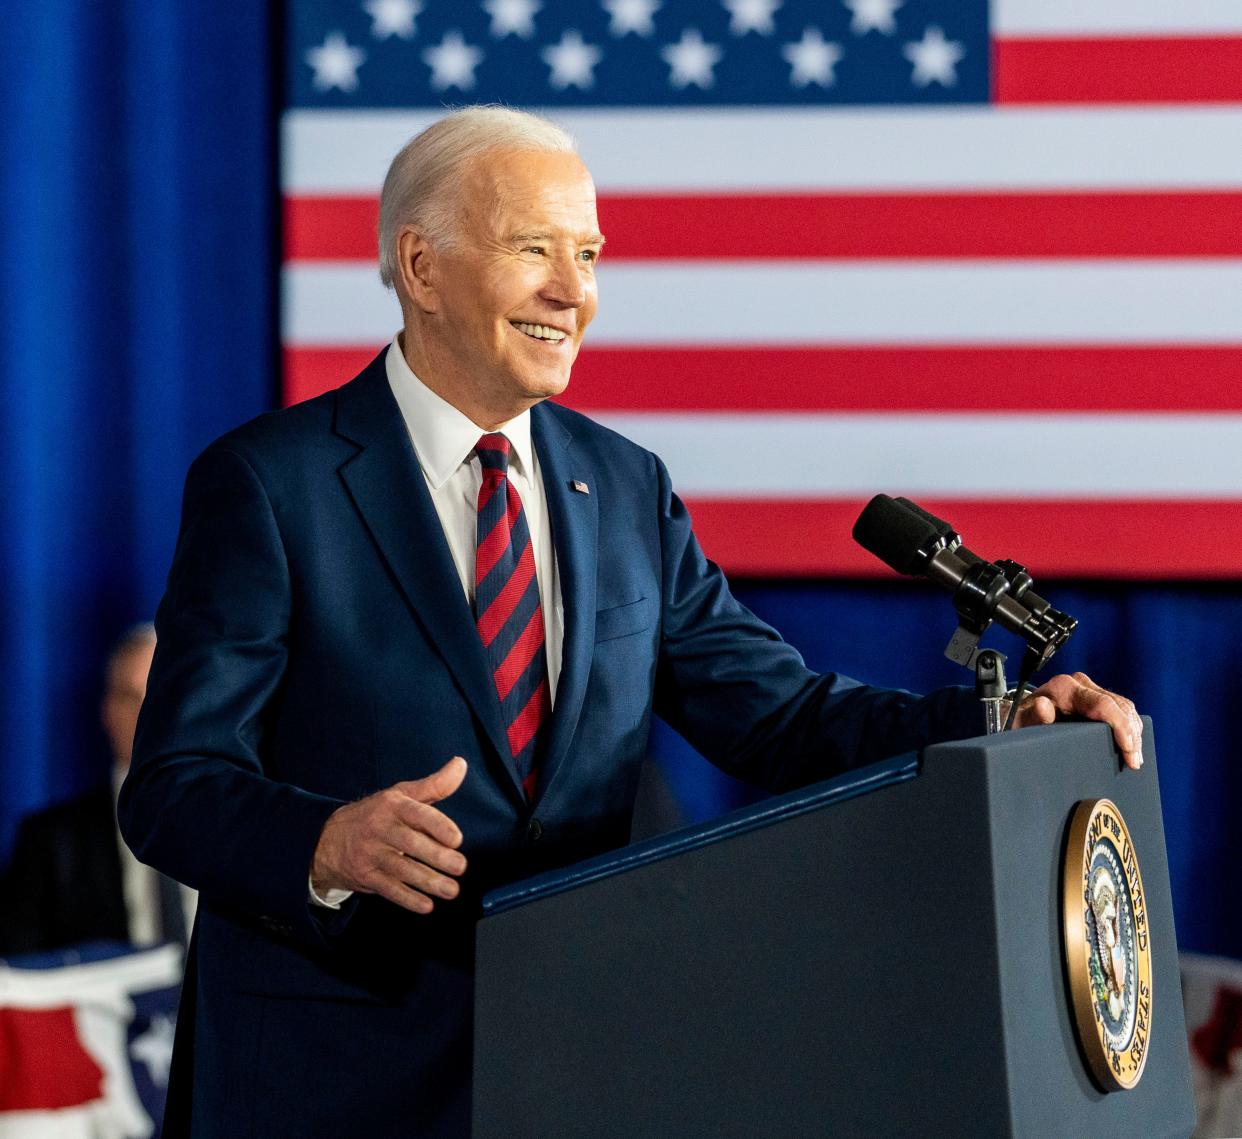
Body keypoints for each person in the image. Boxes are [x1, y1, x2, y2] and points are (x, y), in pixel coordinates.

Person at [118, 106, 1144, 1137]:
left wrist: (1001, 728)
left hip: (573, 1059)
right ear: (422, 268)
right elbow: (171, 785)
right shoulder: (270, 483)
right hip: (331, 1080)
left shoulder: (622, 484)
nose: (574, 292)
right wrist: (327, 841)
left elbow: (782, 717)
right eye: (535, 250)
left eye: (590, 255)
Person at [2, 624, 194, 957]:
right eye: (132, 698)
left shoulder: (245, 827)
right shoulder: (49, 842)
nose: (147, 717)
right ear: (108, 712)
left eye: (163, 696)